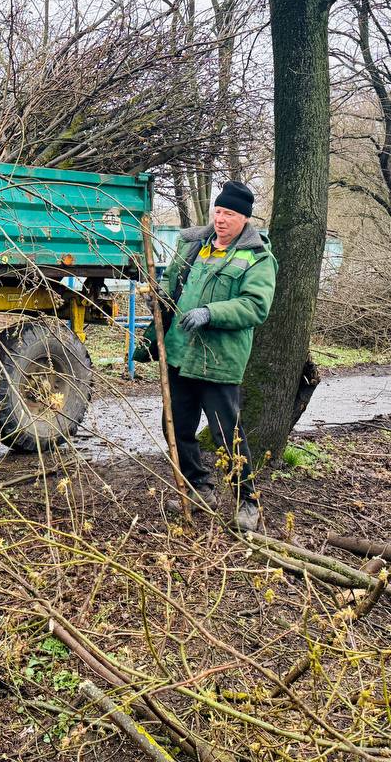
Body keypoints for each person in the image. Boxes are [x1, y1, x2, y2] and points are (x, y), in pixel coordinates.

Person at [142, 180, 277, 531]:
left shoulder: (258, 257)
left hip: (218, 360)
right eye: (218, 211)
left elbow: (255, 305)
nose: (220, 219)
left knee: (226, 434)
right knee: (176, 427)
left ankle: (248, 501)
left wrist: (211, 313)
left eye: (229, 213)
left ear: (244, 218)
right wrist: (158, 298)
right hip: (179, 354)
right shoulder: (192, 245)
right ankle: (200, 488)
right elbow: (171, 285)